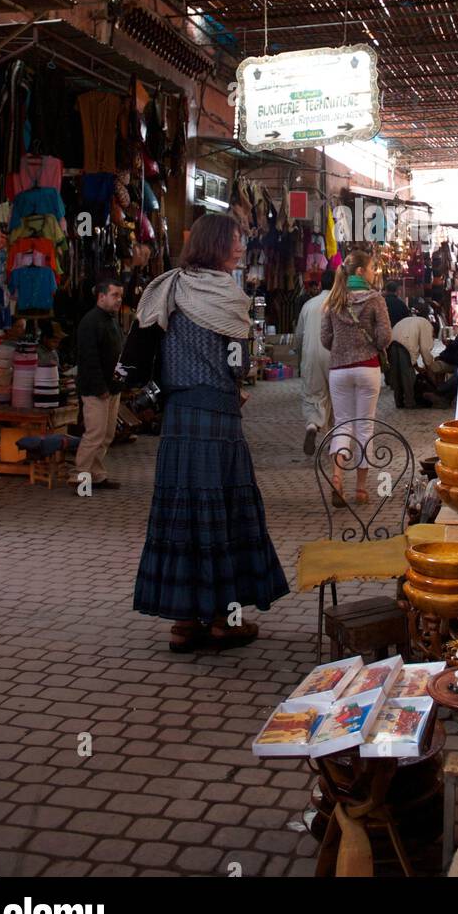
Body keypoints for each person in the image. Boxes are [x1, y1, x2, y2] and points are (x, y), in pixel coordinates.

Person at [133, 213, 288, 653]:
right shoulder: (228, 296)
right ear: (217, 244)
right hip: (218, 417)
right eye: (235, 240)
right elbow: (238, 364)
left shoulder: (170, 288)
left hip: (179, 417)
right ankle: (223, 622)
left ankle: (185, 622)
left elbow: (153, 350)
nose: (241, 246)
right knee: (222, 512)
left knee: (181, 511)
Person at [320, 249, 391, 506]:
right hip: (367, 368)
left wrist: (343, 349)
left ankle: (337, 477)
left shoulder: (334, 299)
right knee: (364, 426)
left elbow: (325, 338)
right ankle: (361, 489)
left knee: (342, 424)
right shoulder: (375, 300)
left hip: (338, 370)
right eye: (372, 268)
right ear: (360, 271)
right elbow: (385, 337)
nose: (374, 273)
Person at [70, 273, 124, 492]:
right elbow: (88, 359)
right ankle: (80, 479)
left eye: (120, 295)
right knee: (94, 434)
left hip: (112, 388)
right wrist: (101, 387)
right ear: (101, 297)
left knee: (107, 434)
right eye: (115, 295)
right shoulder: (90, 322)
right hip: (96, 390)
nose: (119, 299)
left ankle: (97, 475)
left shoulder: (111, 320)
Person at [294, 267, 335, 456]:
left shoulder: (309, 305)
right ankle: (335, 441)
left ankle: (312, 425)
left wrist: (298, 355)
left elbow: (299, 335)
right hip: (334, 354)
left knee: (313, 395)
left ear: (320, 284)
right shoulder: (340, 303)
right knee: (336, 397)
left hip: (311, 353)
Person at [389, 299, 437, 409]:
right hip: (405, 346)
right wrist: (429, 365)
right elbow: (425, 348)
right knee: (408, 376)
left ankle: (399, 401)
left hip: (392, 343)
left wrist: (416, 366)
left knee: (396, 374)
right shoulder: (426, 324)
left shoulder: (409, 319)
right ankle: (410, 402)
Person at [422, 311, 458, 402]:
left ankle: (440, 393)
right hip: (451, 361)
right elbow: (451, 349)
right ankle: (436, 391)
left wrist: (444, 357)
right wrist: (441, 356)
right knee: (432, 366)